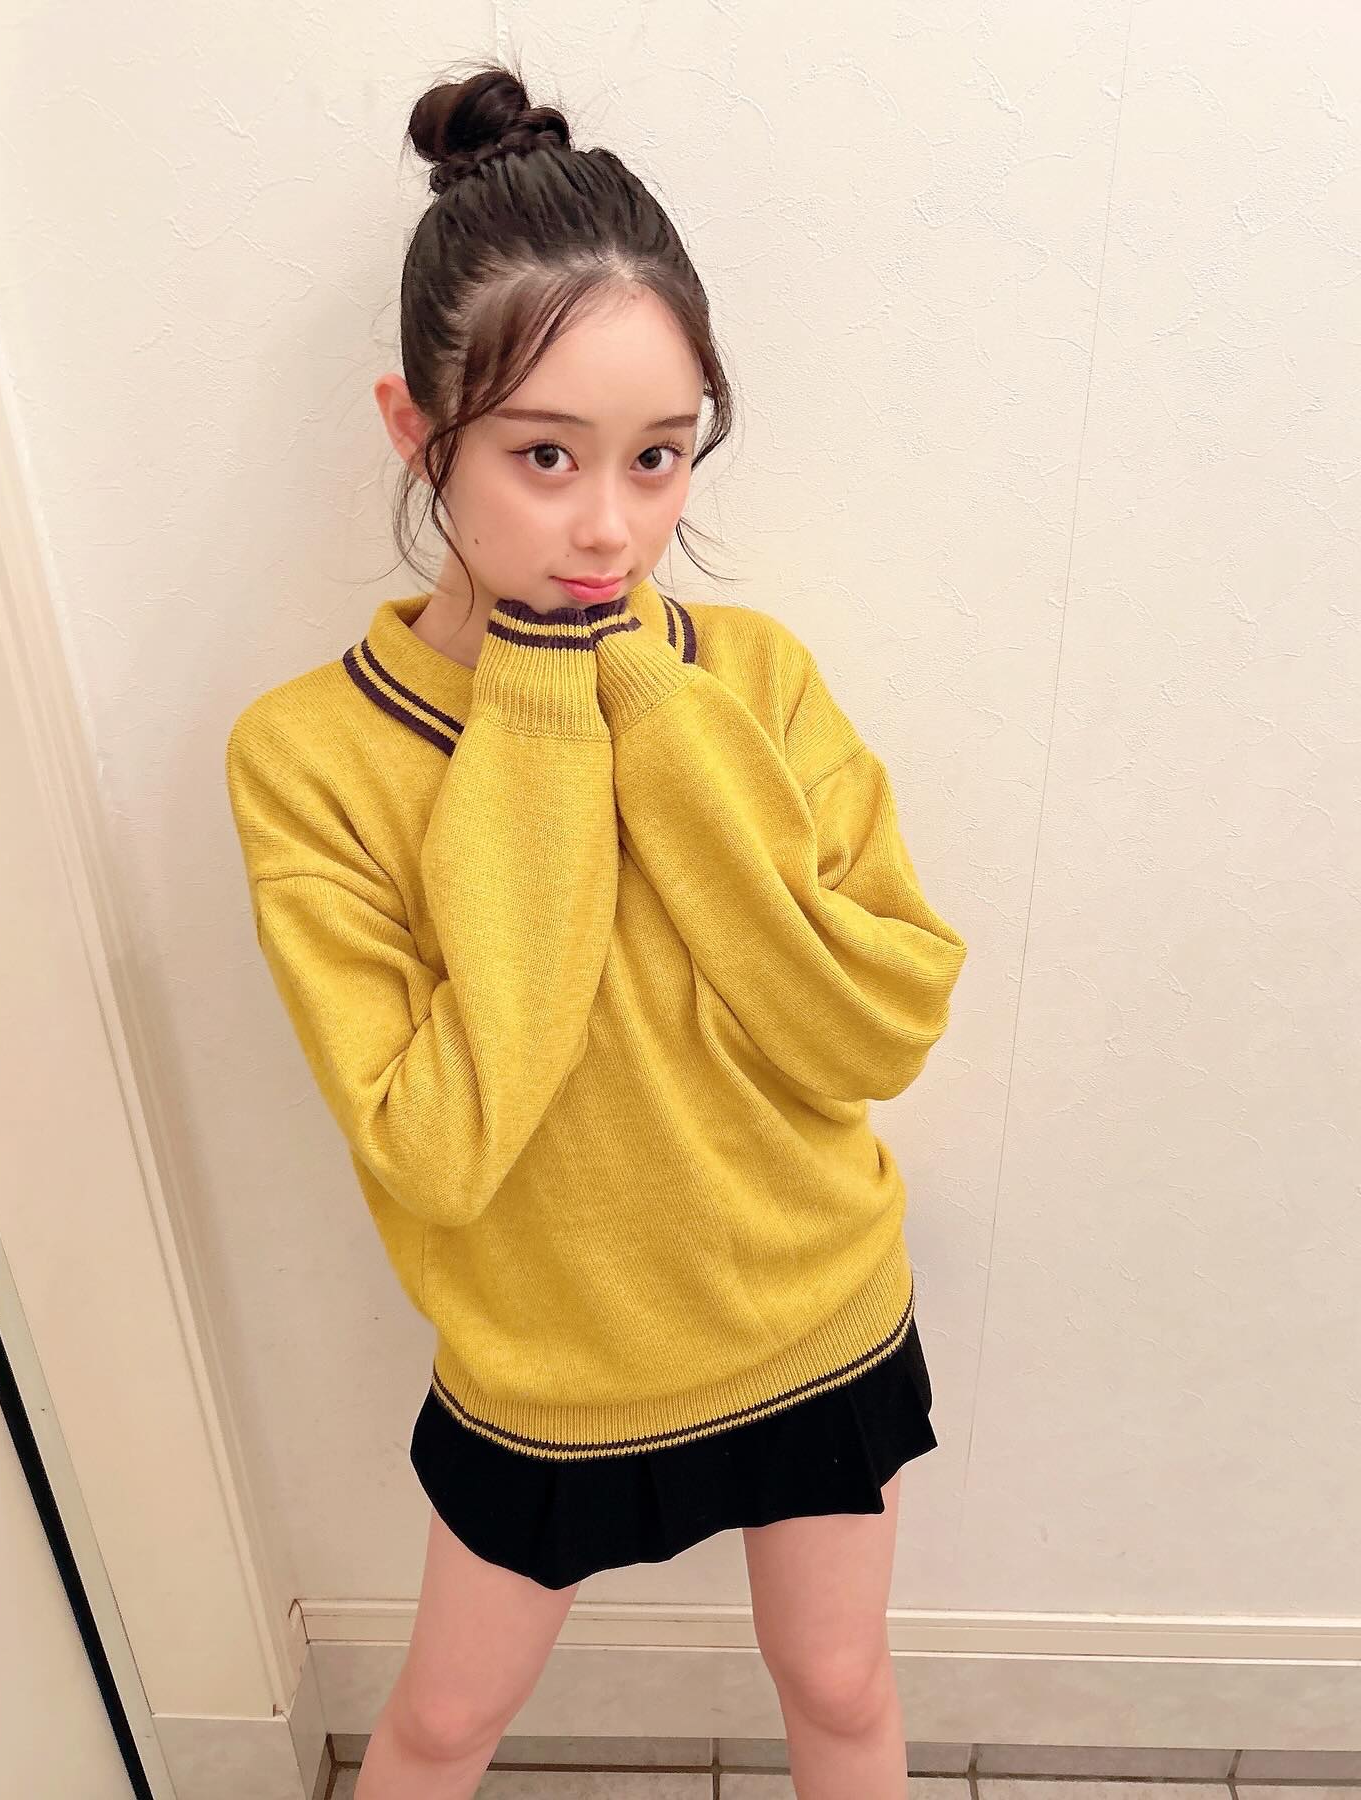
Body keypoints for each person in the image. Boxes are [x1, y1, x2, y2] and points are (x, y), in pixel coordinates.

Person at [224, 54, 969, 1800]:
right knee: (440, 1728)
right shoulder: (310, 759)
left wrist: (645, 700)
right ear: (417, 428)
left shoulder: (751, 679)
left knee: (843, 1689)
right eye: (545, 455)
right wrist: (551, 709)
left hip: (811, 1308)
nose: (610, 527)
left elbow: (874, 1027)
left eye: (659, 457)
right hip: (550, 1368)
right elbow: (438, 1146)